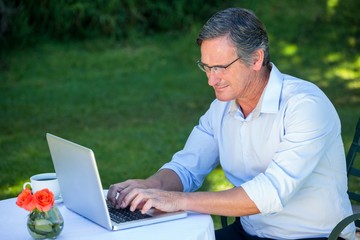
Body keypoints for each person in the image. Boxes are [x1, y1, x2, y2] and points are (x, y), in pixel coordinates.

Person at [107, 8, 355, 240]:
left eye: (221, 67)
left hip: (312, 236)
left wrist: (178, 200)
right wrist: (151, 187)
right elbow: (187, 167)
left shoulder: (305, 106)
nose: (211, 80)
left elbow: (270, 193)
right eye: (206, 67)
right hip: (248, 231)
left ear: (256, 59)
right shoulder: (222, 108)